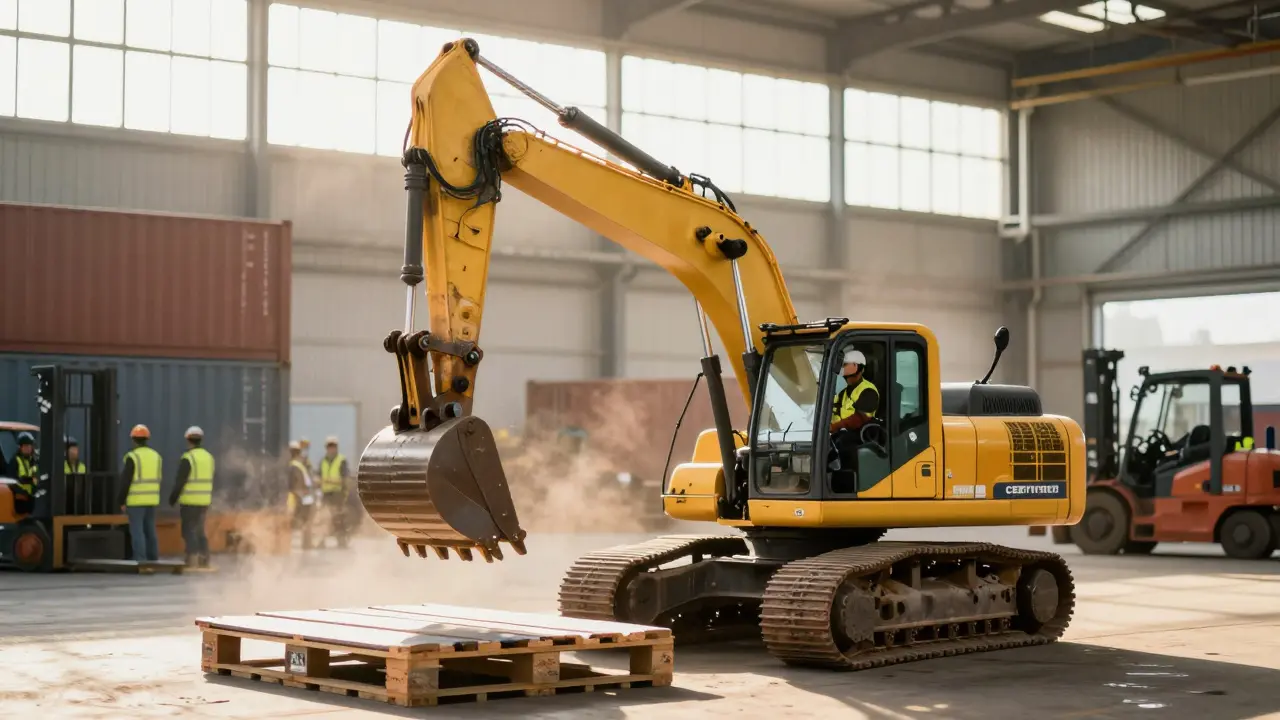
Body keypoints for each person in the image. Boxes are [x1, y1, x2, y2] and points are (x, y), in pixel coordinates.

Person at [169, 426, 214, 568]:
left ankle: (192, 559)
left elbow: (180, 481)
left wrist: (173, 498)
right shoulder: (209, 457)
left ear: (188, 440)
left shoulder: (188, 458)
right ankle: (204, 558)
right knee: (200, 530)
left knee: (189, 530)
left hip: (189, 501)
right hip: (204, 501)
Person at [118, 424, 162, 564]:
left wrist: (120, 500)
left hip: (136, 500)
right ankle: (153, 557)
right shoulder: (156, 456)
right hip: (152, 499)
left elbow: (126, 480)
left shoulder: (132, 457)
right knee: (150, 530)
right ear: (147, 439)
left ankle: (140, 558)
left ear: (133, 440)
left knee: (137, 531)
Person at [830, 348, 879, 434]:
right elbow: (832, 408)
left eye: (845, 365)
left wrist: (835, 426)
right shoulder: (843, 393)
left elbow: (860, 419)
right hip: (840, 434)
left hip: (858, 437)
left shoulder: (869, 391)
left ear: (856, 367)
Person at [318, 436, 350, 546]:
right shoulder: (323, 461)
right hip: (325, 494)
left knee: (338, 518)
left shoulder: (341, 460)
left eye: (333, 446)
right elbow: (318, 476)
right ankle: (321, 540)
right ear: (326, 448)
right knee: (323, 517)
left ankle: (341, 541)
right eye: (329, 446)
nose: (331, 449)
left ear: (336, 448)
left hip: (337, 494)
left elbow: (345, 478)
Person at [287, 441, 316, 549]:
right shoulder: (298, 466)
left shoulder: (294, 466)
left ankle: (306, 544)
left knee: (302, 521)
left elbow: (296, 485)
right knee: (305, 522)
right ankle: (306, 545)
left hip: (300, 498)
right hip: (303, 497)